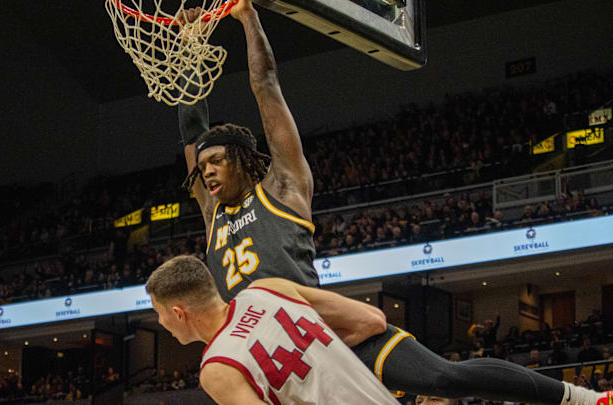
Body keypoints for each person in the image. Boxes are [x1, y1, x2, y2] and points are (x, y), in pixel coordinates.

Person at [175, 1, 610, 404]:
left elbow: (265, 86)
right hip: (271, 358)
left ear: (243, 161)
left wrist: (248, 17)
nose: (207, 170)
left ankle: (582, 398)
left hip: (328, 335)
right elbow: (192, 134)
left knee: (444, 379)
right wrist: (190, 47)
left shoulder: (282, 189)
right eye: (204, 166)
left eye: (217, 161)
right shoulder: (213, 214)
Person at [146, 255, 401, 405]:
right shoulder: (269, 288)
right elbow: (373, 321)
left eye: (159, 312)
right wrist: (318, 354)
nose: (159, 322)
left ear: (179, 313)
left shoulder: (217, 368)